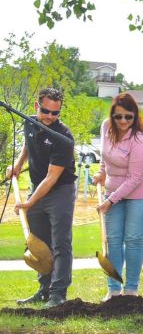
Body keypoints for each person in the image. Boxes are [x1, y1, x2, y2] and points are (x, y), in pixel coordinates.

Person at [6, 88, 77, 308]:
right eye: (46, 111)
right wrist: (18, 165)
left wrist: (29, 202)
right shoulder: (29, 122)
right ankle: (44, 289)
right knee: (39, 243)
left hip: (60, 190)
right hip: (38, 187)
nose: (49, 117)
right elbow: (28, 144)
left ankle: (58, 294)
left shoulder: (63, 137)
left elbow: (52, 177)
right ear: (37, 106)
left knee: (60, 243)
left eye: (55, 113)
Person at [92, 93, 143, 301]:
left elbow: (135, 177)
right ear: (112, 115)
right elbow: (106, 154)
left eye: (128, 117)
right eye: (118, 116)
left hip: (142, 190)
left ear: (135, 116)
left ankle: (131, 289)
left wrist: (109, 201)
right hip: (114, 188)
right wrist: (102, 171)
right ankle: (113, 290)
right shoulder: (106, 127)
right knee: (112, 238)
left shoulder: (141, 139)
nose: (123, 121)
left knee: (132, 237)